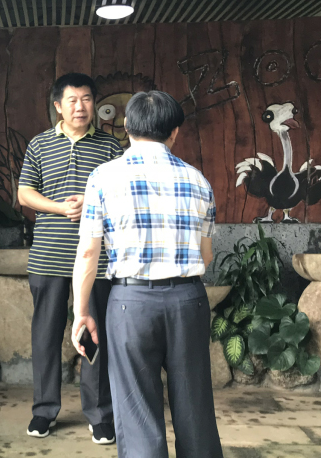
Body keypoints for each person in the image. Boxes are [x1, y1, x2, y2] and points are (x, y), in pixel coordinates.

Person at [72, 90, 224, 458]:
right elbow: (206, 256)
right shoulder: (198, 180)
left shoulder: (103, 177)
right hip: (188, 300)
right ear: (174, 132)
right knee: (195, 405)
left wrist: (81, 312)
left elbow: (89, 252)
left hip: (131, 303)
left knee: (136, 408)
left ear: (126, 126)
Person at [18, 73, 123, 445]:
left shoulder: (110, 147)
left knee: (94, 336)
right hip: (48, 257)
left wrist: (93, 203)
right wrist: (60, 207)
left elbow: (121, 196)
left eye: (87, 99)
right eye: (73, 100)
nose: (81, 107)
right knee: (45, 337)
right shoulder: (40, 144)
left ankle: (99, 414)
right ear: (58, 106)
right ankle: (44, 410)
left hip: (97, 260)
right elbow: (25, 193)